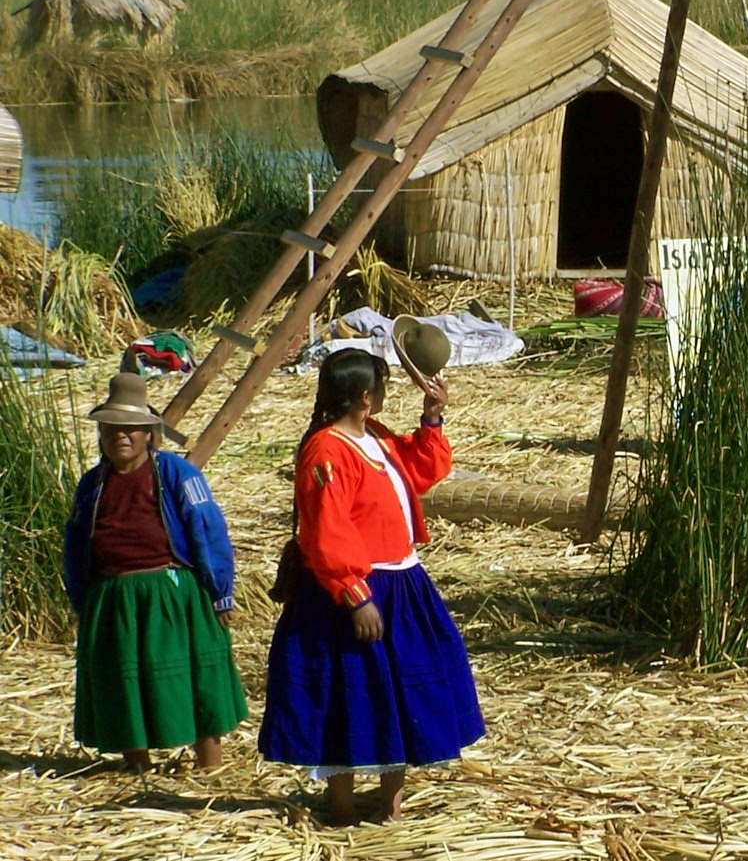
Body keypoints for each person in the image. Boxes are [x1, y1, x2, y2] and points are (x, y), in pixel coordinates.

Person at [258, 347, 484, 823]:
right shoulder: (327, 451)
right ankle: (340, 808)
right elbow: (326, 529)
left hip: (402, 585)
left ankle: (391, 808)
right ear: (365, 395)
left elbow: (421, 472)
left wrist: (432, 418)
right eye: (382, 386)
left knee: (398, 693)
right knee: (349, 693)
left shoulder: (374, 438)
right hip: (352, 591)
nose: (385, 393)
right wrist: (355, 595)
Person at [62, 373, 247, 771]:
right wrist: (84, 600)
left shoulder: (177, 475)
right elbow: (76, 544)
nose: (121, 436)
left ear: (149, 433)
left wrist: (220, 591)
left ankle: (210, 768)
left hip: (171, 592)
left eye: (131, 428)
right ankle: (137, 765)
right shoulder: (92, 485)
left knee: (197, 677)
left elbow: (207, 529)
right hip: (113, 596)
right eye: (112, 428)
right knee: (125, 680)